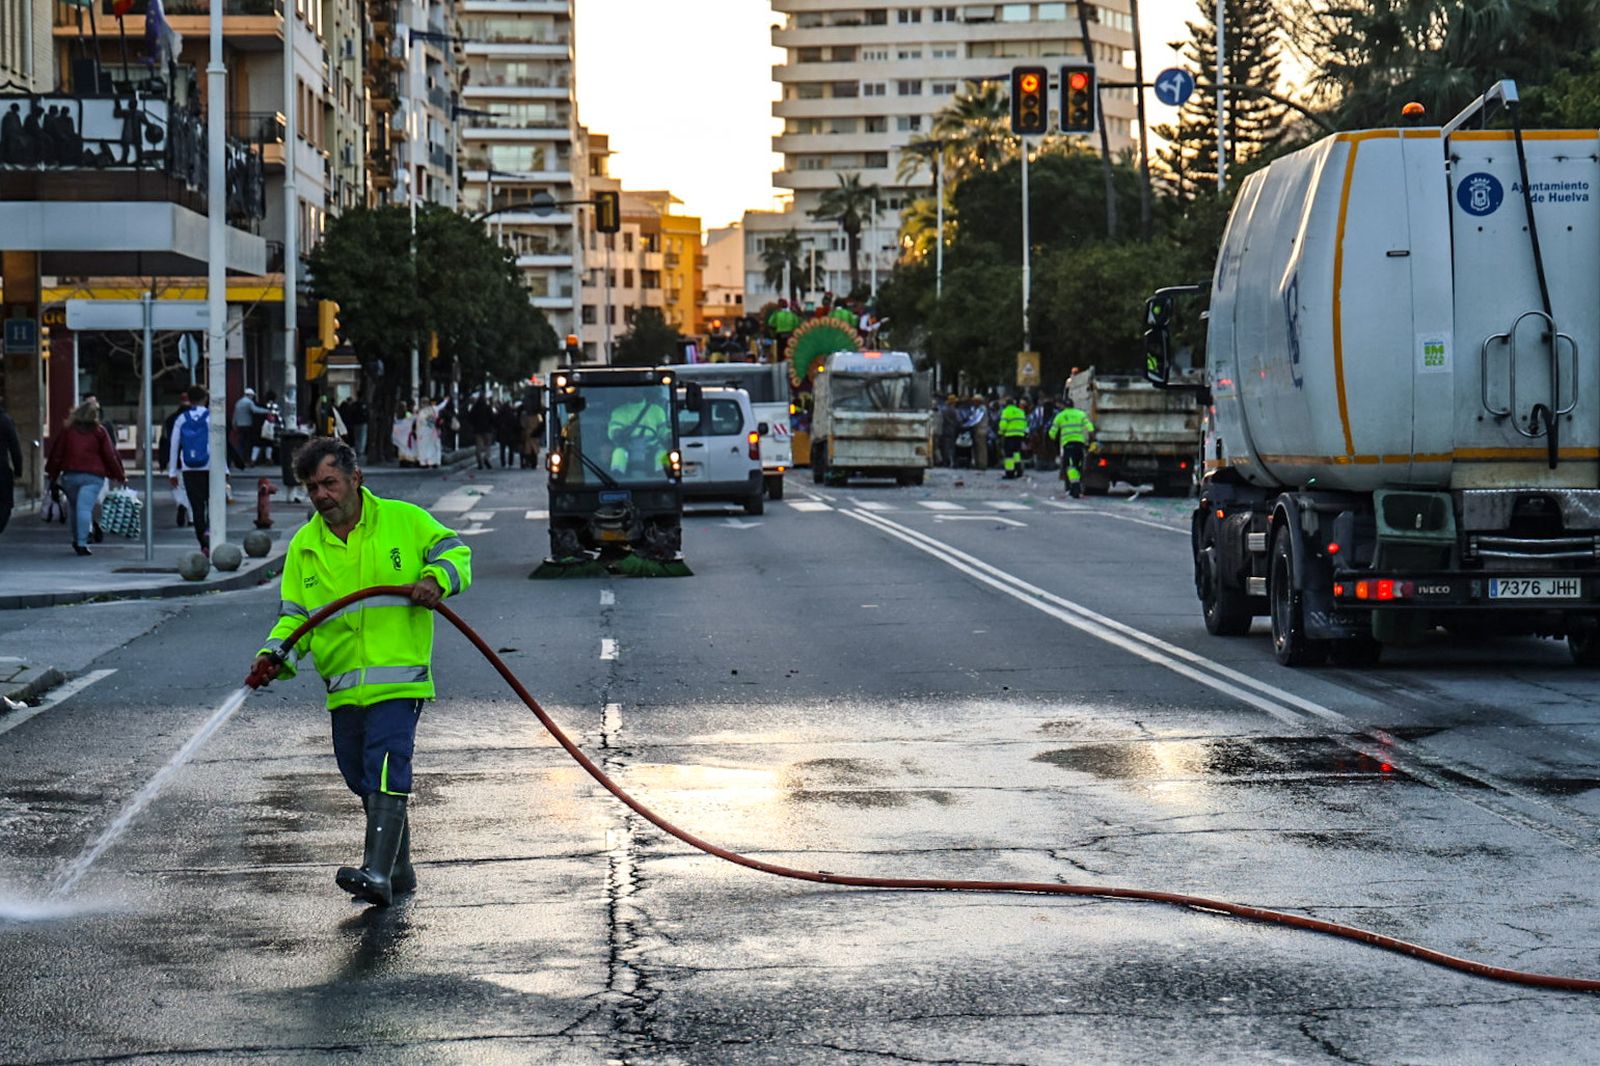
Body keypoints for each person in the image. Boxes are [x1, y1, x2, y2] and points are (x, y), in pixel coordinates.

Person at [249, 437, 472, 907]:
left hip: (399, 681)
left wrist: (435, 579)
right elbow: (296, 618)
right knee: (360, 776)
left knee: (387, 764)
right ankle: (399, 868)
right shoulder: (305, 546)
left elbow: (457, 554)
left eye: (329, 483)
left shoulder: (404, 520)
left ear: (356, 478)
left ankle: (377, 872)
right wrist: (274, 653)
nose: (322, 495)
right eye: (312, 488)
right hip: (344, 688)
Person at [45, 400, 126, 556]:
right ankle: (82, 542)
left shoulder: (68, 431)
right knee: (85, 508)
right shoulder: (100, 432)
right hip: (93, 476)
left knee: (74, 508)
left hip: (71, 475)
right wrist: (119, 475)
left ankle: (76, 538)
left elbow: (57, 453)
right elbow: (110, 455)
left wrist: (53, 474)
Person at [167, 384, 219, 554]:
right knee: (212, 504)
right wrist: (225, 470)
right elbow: (218, 445)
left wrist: (172, 471)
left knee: (196, 507)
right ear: (205, 398)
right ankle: (210, 532)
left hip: (189, 468)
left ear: (189, 399)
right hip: (209, 467)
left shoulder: (181, 419)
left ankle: (202, 543)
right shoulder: (211, 418)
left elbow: (174, 445)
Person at [607, 392, 669, 476]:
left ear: (643, 390)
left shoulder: (657, 410)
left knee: (663, 454)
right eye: (630, 389)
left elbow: (664, 430)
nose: (634, 391)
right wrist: (617, 432)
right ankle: (616, 479)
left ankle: (664, 479)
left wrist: (668, 435)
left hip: (652, 446)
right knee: (618, 453)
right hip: (628, 446)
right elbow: (613, 429)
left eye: (636, 388)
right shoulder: (619, 412)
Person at [1049, 396, 1097, 498]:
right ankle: (1075, 486)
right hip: (1079, 444)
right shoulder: (1081, 414)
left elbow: (1052, 434)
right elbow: (1090, 428)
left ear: (1064, 406)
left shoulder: (1060, 416)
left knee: (1070, 466)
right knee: (1078, 465)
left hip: (1068, 445)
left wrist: (1054, 441)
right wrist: (1093, 440)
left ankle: (1075, 486)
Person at [157, 391, 193, 527]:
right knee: (191, 489)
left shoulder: (170, 419)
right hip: (193, 458)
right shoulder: (197, 418)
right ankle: (191, 518)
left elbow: (164, 441)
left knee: (177, 486)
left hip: (175, 458)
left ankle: (181, 503)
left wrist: (162, 461)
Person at [0, 401, 22, 535]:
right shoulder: (5, 420)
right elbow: (15, 447)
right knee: (4, 505)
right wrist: (18, 470)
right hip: (1, 469)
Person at [232, 388, 268, 467]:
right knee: (247, 444)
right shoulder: (249, 402)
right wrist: (267, 411)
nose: (253, 397)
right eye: (252, 396)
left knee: (240, 443)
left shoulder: (238, 402)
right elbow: (255, 410)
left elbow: (235, 414)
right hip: (247, 425)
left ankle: (238, 459)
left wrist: (234, 423)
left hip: (239, 425)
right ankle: (246, 460)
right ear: (250, 395)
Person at [997, 397, 1028, 479]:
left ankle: (1010, 473)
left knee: (1009, 455)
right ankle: (1018, 470)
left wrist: (1000, 433)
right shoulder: (1021, 412)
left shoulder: (1006, 411)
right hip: (1019, 435)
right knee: (1016, 453)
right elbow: (1025, 424)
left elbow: (1003, 424)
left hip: (1009, 435)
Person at [466, 393, 496, 470]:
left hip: (477, 430)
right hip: (487, 429)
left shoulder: (474, 408)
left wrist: (474, 425)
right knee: (488, 446)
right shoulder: (488, 407)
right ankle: (486, 457)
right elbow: (492, 418)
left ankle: (479, 462)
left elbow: (470, 418)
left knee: (479, 446)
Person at [340, 391, 370, 460]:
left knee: (357, 437)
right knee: (362, 437)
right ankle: (361, 451)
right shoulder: (363, 404)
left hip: (356, 423)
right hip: (362, 423)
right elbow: (366, 413)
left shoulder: (354, 405)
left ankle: (358, 451)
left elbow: (351, 414)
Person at [413, 397, 442, 468]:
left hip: (426, 432)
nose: (424, 404)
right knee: (427, 448)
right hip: (425, 432)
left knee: (427, 448)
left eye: (425, 402)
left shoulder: (425, 411)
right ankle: (427, 463)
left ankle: (428, 463)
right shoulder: (427, 411)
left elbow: (429, 421)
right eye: (423, 402)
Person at [495, 399, 521, 469]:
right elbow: (515, 424)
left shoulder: (500, 414)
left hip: (502, 433)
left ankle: (503, 463)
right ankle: (510, 463)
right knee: (511, 449)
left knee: (502, 449)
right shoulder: (511, 414)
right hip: (510, 434)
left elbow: (496, 423)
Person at [937, 394, 961, 468]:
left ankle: (945, 461)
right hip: (952, 430)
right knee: (951, 447)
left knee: (945, 446)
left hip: (944, 429)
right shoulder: (955, 411)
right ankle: (951, 462)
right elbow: (959, 420)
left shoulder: (944, 410)